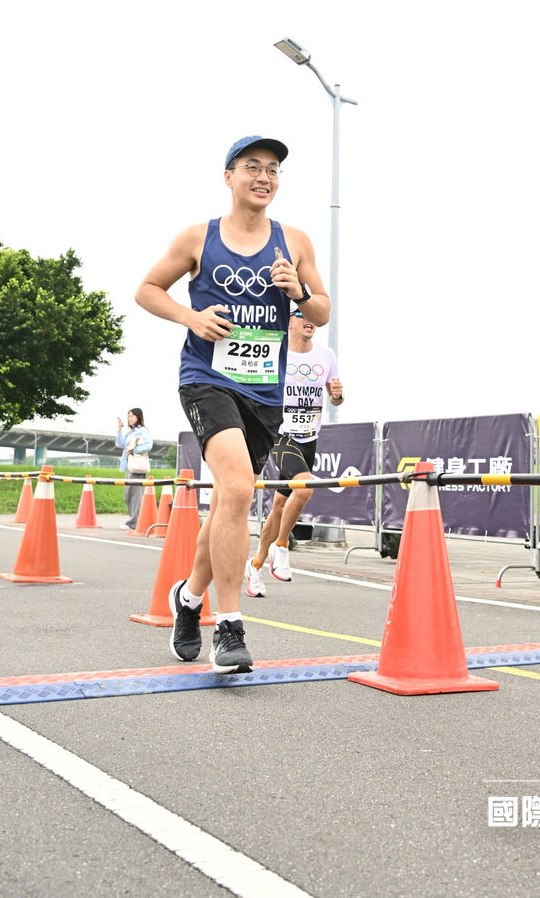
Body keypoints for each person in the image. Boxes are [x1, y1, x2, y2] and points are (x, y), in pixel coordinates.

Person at [135, 135, 330, 675]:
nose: (264, 177)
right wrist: (190, 317)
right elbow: (147, 289)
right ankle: (228, 626)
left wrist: (298, 293)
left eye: (273, 170)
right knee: (241, 489)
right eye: (252, 167)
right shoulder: (198, 237)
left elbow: (322, 309)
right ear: (229, 176)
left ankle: (188, 598)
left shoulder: (294, 242)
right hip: (207, 379)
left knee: (229, 500)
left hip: (264, 391)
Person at [245, 309, 343, 595]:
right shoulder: (277, 352)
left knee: (279, 506)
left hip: (309, 437)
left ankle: (255, 565)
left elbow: (335, 398)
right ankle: (282, 546)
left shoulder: (326, 355)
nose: (309, 319)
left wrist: (337, 395)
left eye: (312, 315)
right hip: (280, 434)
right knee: (304, 487)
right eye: (301, 314)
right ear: (289, 323)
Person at [115, 409, 154, 530]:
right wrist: (119, 429)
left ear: (138, 417)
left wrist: (133, 450)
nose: (129, 418)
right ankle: (135, 520)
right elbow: (120, 444)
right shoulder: (130, 432)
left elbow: (148, 445)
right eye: (128, 416)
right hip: (129, 465)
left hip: (137, 466)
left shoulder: (143, 431)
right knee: (128, 494)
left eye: (132, 416)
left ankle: (134, 522)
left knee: (135, 494)